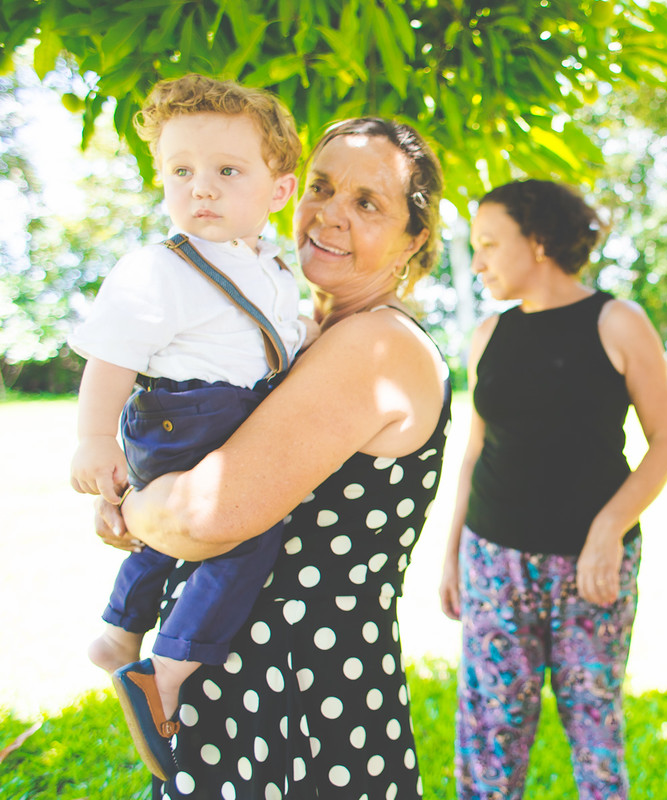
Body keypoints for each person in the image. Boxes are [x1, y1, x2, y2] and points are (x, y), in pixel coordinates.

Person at [94, 116, 451, 800]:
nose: (330, 214)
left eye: (367, 202)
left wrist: (133, 507)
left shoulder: (378, 345)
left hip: (299, 687)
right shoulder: (303, 334)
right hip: (253, 673)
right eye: (321, 186)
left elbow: (207, 515)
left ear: (415, 239)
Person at [67, 74, 314, 776]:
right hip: (185, 413)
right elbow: (111, 360)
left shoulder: (267, 262)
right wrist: (93, 439)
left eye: (226, 171)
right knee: (245, 529)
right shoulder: (159, 269)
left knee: (171, 540)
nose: (200, 188)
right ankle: (167, 668)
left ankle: (119, 630)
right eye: (181, 171)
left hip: (227, 410)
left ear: (278, 193)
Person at [438, 179, 667, 800]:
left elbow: (666, 440)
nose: (479, 261)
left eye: (491, 243)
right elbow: (475, 452)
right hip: (494, 557)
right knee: (489, 737)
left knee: (595, 735)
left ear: (539, 240)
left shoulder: (618, 321)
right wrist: (451, 553)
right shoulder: (489, 334)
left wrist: (607, 530)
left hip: (594, 568)